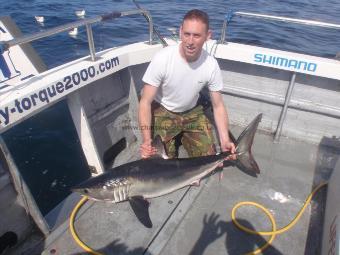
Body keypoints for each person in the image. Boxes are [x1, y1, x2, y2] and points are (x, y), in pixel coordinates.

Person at [138, 9, 235, 159]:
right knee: (159, 163)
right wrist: (147, 141)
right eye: (187, 34)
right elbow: (145, 102)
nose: (190, 42)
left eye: (196, 36)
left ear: (207, 36)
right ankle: (174, 138)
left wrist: (225, 140)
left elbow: (218, 105)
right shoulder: (163, 59)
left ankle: (183, 136)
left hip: (192, 111)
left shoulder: (211, 65)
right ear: (180, 31)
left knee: (208, 158)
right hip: (163, 109)